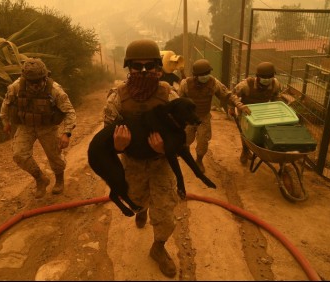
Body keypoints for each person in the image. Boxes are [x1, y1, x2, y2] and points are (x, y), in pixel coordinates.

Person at [103, 39, 180, 278]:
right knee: (135, 199)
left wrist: (166, 148)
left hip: (161, 164)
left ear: (158, 67)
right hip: (133, 163)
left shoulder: (169, 96)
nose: (144, 72)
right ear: (129, 68)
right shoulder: (117, 98)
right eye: (137, 67)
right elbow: (105, 137)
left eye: (150, 66)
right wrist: (116, 146)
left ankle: (158, 248)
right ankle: (141, 208)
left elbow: (184, 136)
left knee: (166, 213)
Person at [0, 58, 76, 199]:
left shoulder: (55, 90)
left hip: (47, 127)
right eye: (31, 82)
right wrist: (5, 121)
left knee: (55, 156)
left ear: (45, 77)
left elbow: (69, 111)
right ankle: (41, 179)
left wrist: (67, 133)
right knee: (19, 155)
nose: (35, 84)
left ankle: (59, 180)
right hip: (26, 126)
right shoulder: (16, 87)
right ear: (25, 78)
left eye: (39, 80)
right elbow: (6, 104)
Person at [178, 58, 250, 173]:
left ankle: (199, 160)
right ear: (195, 75)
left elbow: (227, 95)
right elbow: (179, 100)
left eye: (207, 73)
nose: (205, 76)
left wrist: (239, 105)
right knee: (185, 139)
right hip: (188, 117)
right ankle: (186, 154)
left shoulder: (214, 83)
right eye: (202, 74)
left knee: (203, 141)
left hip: (204, 117)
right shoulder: (185, 84)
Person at [228, 61, 283, 164]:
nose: (267, 79)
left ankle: (259, 148)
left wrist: (280, 107)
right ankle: (245, 150)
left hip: (263, 112)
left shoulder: (275, 84)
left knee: (261, 131)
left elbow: (276, 96)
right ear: (257, 76)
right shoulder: (246, 85)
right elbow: (233, 95)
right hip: (246, 112)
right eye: (263, 77)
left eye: (269, 77)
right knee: (246, 133)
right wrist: (232, 108)